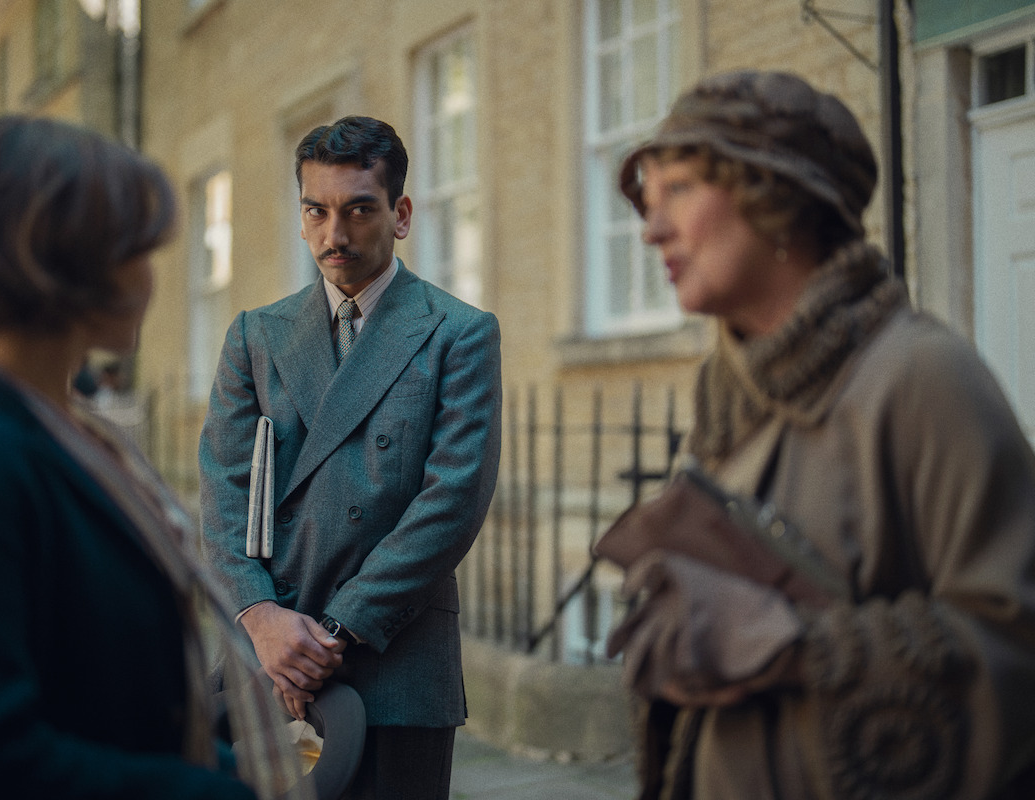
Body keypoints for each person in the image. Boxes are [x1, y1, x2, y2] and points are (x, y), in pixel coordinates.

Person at [604, 70, 1035, 799]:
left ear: (777, 198)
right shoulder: (726, 390)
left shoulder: (925, 378)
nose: (650, 228)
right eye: (650, 199)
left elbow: (1017, 650)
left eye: (678, 189)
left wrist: (801, 651)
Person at [0, 115, 305, 800]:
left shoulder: (69, 434)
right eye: (135, 251)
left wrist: (220, 763)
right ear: (60, 258)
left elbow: (100, 699)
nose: (152, 280)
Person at [199, 115, 502, 799]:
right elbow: (222, 492)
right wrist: (263, 619)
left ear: (400, 215)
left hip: (394, 662)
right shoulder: (255, 336)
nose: (335, 235)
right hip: (262, 659)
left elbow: (451, 503)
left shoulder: (458, 334)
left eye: (359, 210)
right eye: (318, 211)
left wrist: (331, 636)